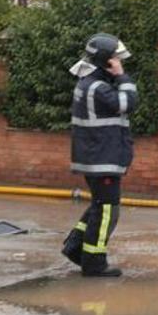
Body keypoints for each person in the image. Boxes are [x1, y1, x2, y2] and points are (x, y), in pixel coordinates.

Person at [61, 33, 137, 277]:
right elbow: (129, 102)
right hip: (102, 159)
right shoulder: (98, 88)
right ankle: (94, 264)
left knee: (99, 207)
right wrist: (122, 75)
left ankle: (75, 247)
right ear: (105, 60)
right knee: (107, 211)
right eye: (114, 57)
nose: (117, 61)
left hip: (99, 158)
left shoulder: (90, 83)